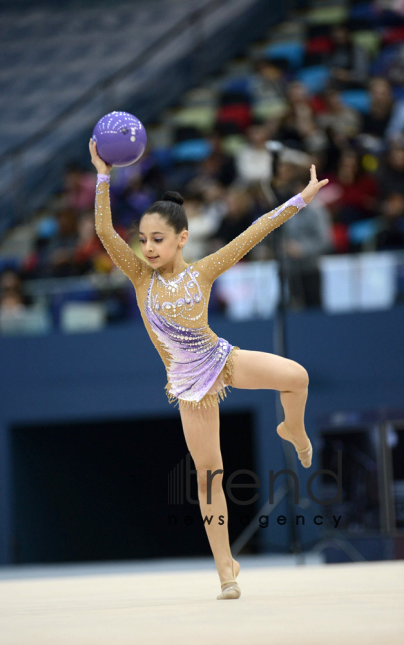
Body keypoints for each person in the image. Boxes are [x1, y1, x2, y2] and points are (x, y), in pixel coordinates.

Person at [89, 138, 329, 601]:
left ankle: (293, 430)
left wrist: (300, 199)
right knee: (208, 475)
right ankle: (226, 571)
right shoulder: (140, 278)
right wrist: (104, 175)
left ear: (182, 238)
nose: (149, 247)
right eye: (144, 240)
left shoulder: (202, 272)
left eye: (158, 239)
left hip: (222, 359)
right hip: (189, 387)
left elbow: (255, 230)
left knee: (297, 377)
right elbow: (103, 232)